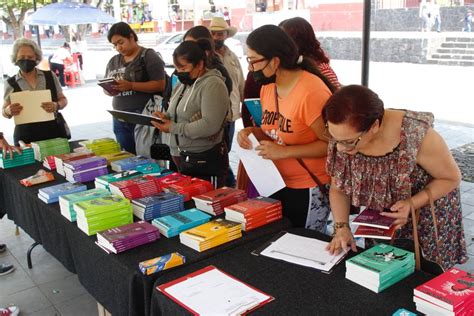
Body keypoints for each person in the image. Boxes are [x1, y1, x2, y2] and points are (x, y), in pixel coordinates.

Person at [323, 85, 467, 270]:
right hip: (384, 220)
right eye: (334, 139)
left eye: (349, 142)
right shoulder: (342, 136)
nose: (341, 148)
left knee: (424, 277)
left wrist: (411, 203)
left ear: (374, 126)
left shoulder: (415, 135)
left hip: (425, 218)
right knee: (382, 271)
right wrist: (341, 227)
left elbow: (451, 178)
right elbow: (338, 188)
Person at [237, 25, 336, 232]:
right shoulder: (268, 87)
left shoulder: (311, 91)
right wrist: (250, 133)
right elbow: (274, 131)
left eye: (253, 61)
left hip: (308, 186)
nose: (250, 68)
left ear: (275, 61)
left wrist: (285, 152)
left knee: (305, 245)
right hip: (276, 182)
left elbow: (331, 145)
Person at [151, 41, 229, 187]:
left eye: (183, 67)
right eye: (176, 68)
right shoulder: (182, 84)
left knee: (207, 200)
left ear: (199, 64)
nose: (179, 72)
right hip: (181, 154)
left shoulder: (213, 85)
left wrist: (173, 127)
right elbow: (176, 112)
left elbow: (209, 125)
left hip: (203, 157)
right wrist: (165, 117)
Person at [105, 22, 166, 154]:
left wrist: (131, 85)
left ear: (131, 37)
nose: (118, 48)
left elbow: (161, 84)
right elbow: (106, 84)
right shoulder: (113, 61)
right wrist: (108, 89)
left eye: (121, 42)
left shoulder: (148, 56)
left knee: (146, 156)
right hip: (120, 115)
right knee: (127, 156)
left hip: (144, 115)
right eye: (115, 45)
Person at [3, 38, 69, 146]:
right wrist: (8, 111)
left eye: (30, 57)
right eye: (22, 57)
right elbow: (4, 111)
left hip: (53, 133)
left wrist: (57, 105)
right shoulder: (10, 83)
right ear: (15, 59)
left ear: (36, 58)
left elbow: (63, 99)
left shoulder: (50, 76)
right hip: (25, 137)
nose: (26, 60)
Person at [209, 17, 245, 187]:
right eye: (213, 33)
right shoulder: (206, 57)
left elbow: (241, 83)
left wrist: (246, 108)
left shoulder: (232, 55)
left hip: (231, 114)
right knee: (218, 153)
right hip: (214, 114)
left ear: (226, 35)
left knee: (226, 150)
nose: (216, 37)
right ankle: (228, 185)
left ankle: (228, 185)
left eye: (220, 33)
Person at [279, 17, 341, 90]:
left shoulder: (323, 69)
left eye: (284, 40)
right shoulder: (285, 69)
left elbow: (337, 98)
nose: (280, 45)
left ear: (298, 41)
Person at [183, 26, 233, 95]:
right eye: (184, 45)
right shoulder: (182, 67)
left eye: (191, 46)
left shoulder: (218, 72)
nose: (186, 50)